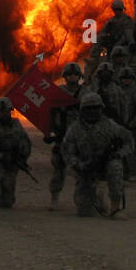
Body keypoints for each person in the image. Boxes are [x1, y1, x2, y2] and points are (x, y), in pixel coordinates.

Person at [62, 91, 132, 218]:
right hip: (86, 167)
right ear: (82, 110)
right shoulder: (75, 129)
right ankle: (99, 197)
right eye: (88, 109)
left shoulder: (110, 125)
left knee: (115, 166)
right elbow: (67, 151)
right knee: (85, 212)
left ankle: (115, 207)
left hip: (106, 165)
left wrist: (118, 154)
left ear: (101, 109)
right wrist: (78, 165)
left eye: (96, 108)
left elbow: (129, 140)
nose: (92, 112)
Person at [47, 62, 86, 208]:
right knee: (58, 168)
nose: (72, 77)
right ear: (64, 77)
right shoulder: (58, 92)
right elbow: (51, 113)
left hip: (79, 137)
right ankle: (54, 198)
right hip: (62, 135)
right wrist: (49, 131)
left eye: (75, 74)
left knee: (81, 170)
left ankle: (84, 199)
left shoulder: (85, 93)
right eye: (69, 75)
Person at [0, 97, 32, 208]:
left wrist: (22, 157)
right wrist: (0, 156)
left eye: (7, 111)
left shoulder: (16, 124)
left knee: (7, 203)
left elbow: (26, 142)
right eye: (2, 112)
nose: (5, 114)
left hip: (11, 162)